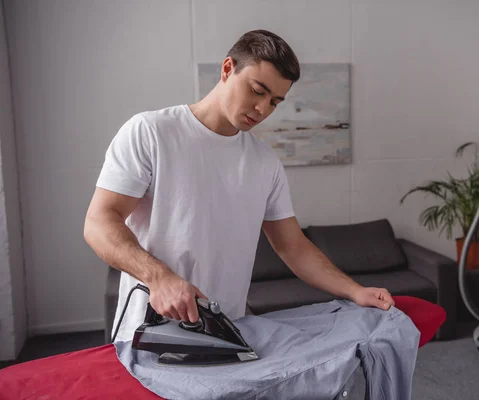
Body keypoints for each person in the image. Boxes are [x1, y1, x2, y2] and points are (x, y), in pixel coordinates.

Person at [84, 29, 395, 342]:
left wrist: (356, 291)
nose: (263, 109)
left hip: (227, 333)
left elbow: (293, 246)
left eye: (275, 102)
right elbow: (99, 222)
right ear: (228, 69)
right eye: (257, 90)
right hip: (148, 332)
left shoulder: (264, 162)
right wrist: (159, 277)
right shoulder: (150, 132)